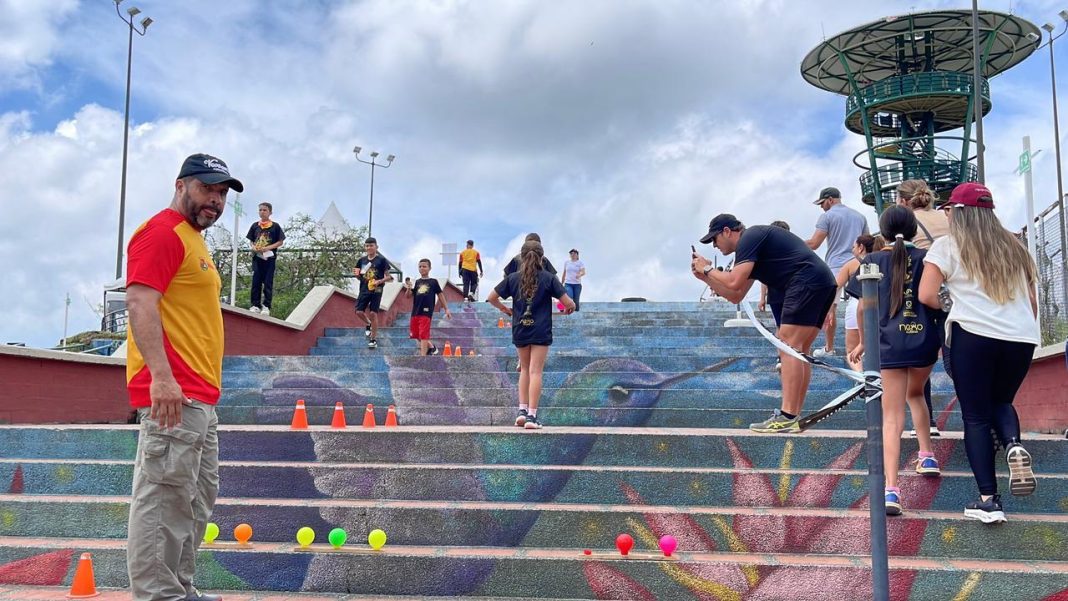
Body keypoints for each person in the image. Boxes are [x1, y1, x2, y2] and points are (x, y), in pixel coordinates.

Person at [125, 153, 242, 601]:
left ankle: (180, 588)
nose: (215, 200)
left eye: (221, 193)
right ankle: (158, 595)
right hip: (174, 392)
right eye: (207, 189)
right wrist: (161, 377)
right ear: (181, 185)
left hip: (199, 397)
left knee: (194, 499)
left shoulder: (194, 240)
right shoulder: (161, 233)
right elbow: (140, 303)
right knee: (163, 499)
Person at [919, 182, 1039, 523]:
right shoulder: (1015, 247)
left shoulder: (948, 246)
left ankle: (989, 500)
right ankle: (1013, 443)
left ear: (957, 212)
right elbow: (1031, 302)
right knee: (1001, 401)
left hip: (973, 334)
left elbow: (927, 295)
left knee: (975, 416)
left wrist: (952, 304)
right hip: (1020, 337)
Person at [693, 214, 837, 433]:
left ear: (727, 231)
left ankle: (787, 415)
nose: (714, 245)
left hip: (807, 281)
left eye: (714, 239)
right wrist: (706, 278)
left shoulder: (750, 237)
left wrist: (707, 269)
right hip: (820, 282)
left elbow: (733, 281)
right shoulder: (752, 248)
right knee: (799, 350)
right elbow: (736, 295)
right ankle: (793, 415)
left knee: (787, 345)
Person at [847, 207, 942, 516]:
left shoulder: (871, 261)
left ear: (882, 232)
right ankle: (927, 455)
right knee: (916, 394)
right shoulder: (929, 258)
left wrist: (863, 341)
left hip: (888, 345)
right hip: (924, 342)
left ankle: (891, 490)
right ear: (915, 229)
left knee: (891, 416)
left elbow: (863, 309)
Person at [488, 241, 575, 429]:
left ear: (522, 257)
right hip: (541, 329)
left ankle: (521, 411)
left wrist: (505, 310)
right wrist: (570, 307)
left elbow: (491, 297)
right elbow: (568, 302)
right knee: (536, 371)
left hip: (520, 328)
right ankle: (532, 417)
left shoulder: (512, 278)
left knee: (525, 370)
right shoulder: (549, 278)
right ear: (542, 258)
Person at [896, 179, 948, 437]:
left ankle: (927, 422)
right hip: (953, 296)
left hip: (921, 296)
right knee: (955, 360)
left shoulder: (907, 224)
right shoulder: (949, 218)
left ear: (903, 201)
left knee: (920, 359)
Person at [806, 187, 869, 357]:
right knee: (862, 304)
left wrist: (789, 244)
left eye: (822, 203)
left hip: (835, 266)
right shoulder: (860, 216)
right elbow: (867, 243)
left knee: (829, 308)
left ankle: (829, 347)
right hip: (857, 264)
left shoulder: (827, 216)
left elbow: (814, 244)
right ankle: (864, 345)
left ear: (830, 200)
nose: (821, 207)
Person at [837, 234, 880, 371]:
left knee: (851, 349)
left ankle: (861, 377)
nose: (852, 250)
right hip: (880, 304)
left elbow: (836, 286)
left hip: (857, 304)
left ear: (861, 248)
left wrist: (830, 307)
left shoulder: (851, 265)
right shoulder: (883, 260)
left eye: (854, 247)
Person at [353, 237, 393, 349]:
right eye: (367, 246)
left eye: (371, 245)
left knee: (373, 313)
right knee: (359, 312)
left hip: (377, 289)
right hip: (364, 289)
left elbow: (389, 277)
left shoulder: (381, 260)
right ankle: (368, 323)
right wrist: (356, 275)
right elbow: (359, 277)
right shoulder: (361, 261)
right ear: (365, 247)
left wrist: (379, 281)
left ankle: (373, 339)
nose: (369, 247)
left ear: (376, 247)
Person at [245, 202, 285, 316]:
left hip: (269, 258)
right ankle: (255, 304)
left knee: (268, 282)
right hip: (257, 258)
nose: (262, 212)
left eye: (265, 210)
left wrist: (267, 247)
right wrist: (254, 247)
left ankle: (266, 305)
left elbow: (280, 241)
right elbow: (251, 240)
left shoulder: (275, 226)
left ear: (270, 212)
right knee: (256, 281)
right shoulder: (254, 226)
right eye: (260, 210)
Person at [407, 258, 452, 355]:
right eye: (420, 266)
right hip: (415, 311)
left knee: (423, 334)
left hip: (426, 311)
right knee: (415, 334)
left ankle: (423, 357)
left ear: (429, 268)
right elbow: (408, 296)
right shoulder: (417, 282)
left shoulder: (433, 282)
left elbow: (440, 295)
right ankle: (431, 347)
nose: (422, 268)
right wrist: (408, 288)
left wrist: (446, 309)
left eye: (424, 266)